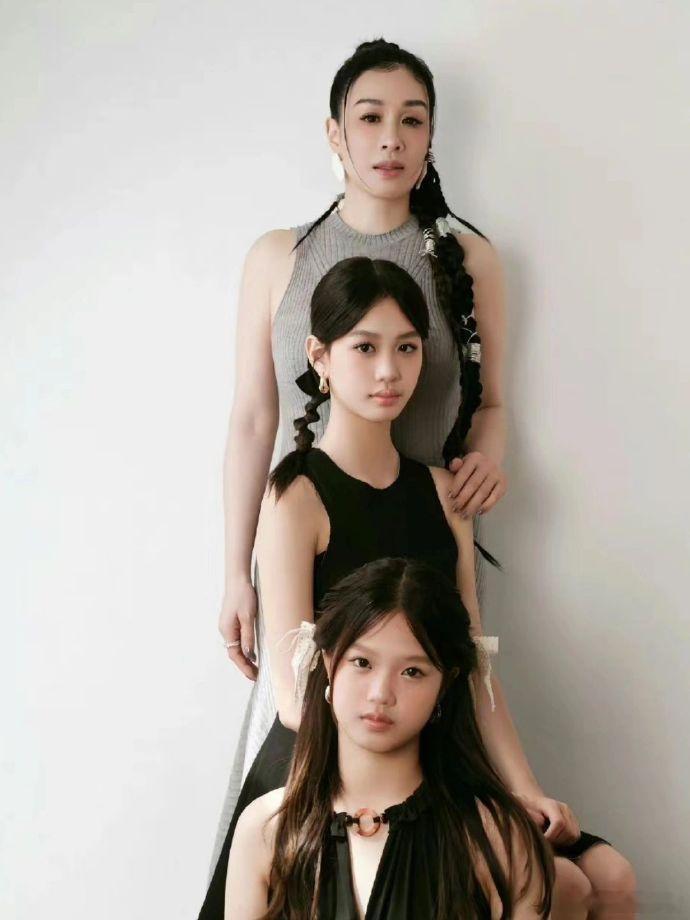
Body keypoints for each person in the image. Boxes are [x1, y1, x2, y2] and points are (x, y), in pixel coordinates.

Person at [199, 257, 635, 919]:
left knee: (611, 877)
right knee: (567, 887)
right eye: (365, 348)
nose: (388, 371)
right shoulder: (297, 495)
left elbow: (474, 662)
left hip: (440, 738)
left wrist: (523, 787)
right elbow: (292, 694)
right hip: (333, 756)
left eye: (406, 348)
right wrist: (396, 756)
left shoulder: (442, 492)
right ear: (320, 356)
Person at [227, 558, 555, 919]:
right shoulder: (266, 828)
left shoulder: (498, 837)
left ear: (444, 685)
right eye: (362, 663)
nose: (381, 694)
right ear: (329, 661)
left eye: (412, 671)